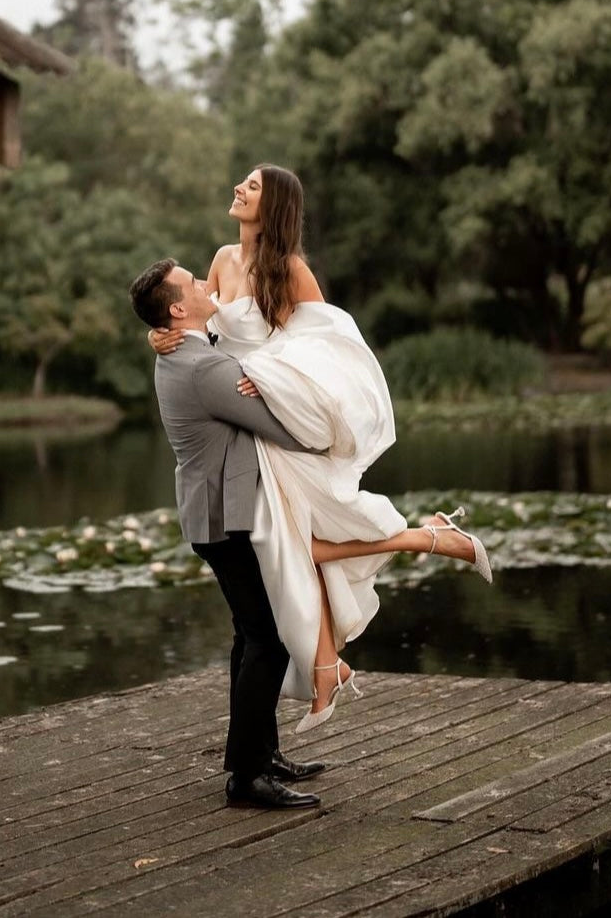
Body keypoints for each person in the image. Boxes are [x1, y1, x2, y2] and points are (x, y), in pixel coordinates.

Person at [148, 164, 492, 733]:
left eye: (252, 186)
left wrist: (273, 378)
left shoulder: (290, 271)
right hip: (248, 428)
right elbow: (196, 320)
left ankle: (423, 545)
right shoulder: (221, 260)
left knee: (300, 546)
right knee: (298, 548)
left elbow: (329, 346)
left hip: (278, 415)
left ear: (274, 205)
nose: (238, 188)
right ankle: (340, 651)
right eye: (242, 181)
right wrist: (158, 331)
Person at [129, 257, 325, 811]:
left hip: (214, 514)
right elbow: (279, 424)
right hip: (223, 518)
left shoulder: (188, 351)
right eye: (193, 283)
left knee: (250, 635)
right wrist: (327, 434)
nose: (204, 284)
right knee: (269, 639)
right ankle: (245, 777)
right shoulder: (205, 369)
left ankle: (262, 753)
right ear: (176, 308)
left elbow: (217, 333)